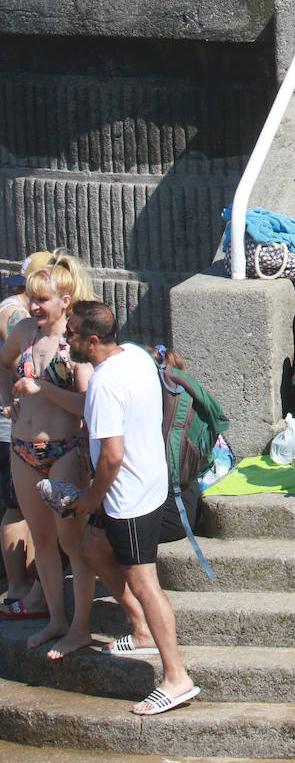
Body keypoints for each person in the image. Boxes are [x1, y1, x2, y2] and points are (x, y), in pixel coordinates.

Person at [69, 300, 199, 716]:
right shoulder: (138, 356)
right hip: (146, 485)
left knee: (145, 584)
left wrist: (89, 499)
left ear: (91, 342)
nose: (66, 340)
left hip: (127, 499)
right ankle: (141, 631)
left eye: (71, 334)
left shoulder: (104, 384)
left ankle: (176, 678)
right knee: (90, 549)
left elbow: (111, 456)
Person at [0, 251, 96, 656]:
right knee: (41, 539)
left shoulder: (73, 344)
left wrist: (41, 389)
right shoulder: (23, 332)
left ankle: (80, 626)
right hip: (23, 449)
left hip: (64, 450)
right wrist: (7, 401)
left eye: (42, 300)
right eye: (32, 299)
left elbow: (87, 405)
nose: (34, 306)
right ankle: (55, 618)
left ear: (65, 302)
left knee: (71, 543)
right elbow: (4, 365)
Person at [0, 255, 46, 619]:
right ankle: (19, 587)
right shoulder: (17, 317)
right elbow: (10, 361)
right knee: (18, 506)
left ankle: (27, 587)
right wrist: (9, 401)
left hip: (18, 426)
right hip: (13, 430)